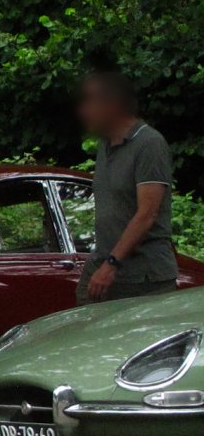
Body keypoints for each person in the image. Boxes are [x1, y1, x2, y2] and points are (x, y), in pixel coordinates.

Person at [75, 71, 177, 304]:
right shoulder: (105, 145)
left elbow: (147, 214)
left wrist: (111, 265)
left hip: (144, 278)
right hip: (105, 266)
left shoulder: (149, 144)